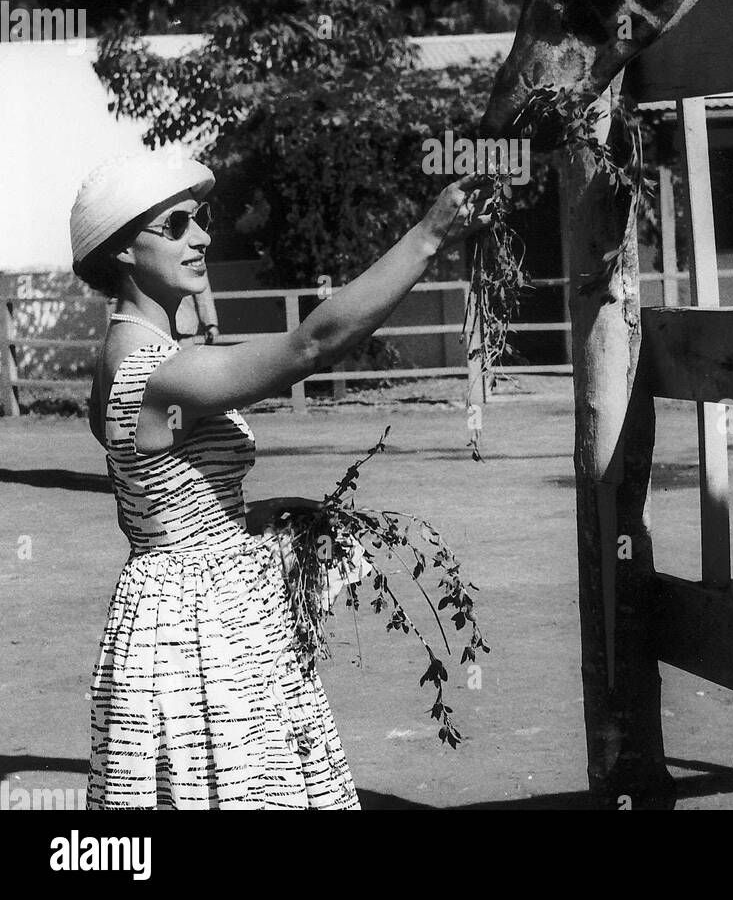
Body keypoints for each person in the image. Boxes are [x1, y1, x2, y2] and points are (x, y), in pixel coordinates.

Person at [70, 148, 490, 811]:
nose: (203, 236)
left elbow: (156, 502)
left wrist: (260, 517)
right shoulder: (153, 373)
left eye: (201, 218)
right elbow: (311, 345)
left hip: (182, 609)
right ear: (123, 252)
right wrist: (429, 235)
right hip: (200, 630)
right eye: (177, 225)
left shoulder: (121, 360)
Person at [175, 274, 219, 345]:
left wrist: (210, 324)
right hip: (155, 323)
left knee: (186, 355)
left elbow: (203, 292)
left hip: (183, 326)